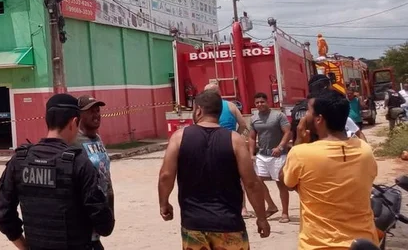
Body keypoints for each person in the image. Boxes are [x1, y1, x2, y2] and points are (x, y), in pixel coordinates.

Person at [0, 93, 114, 250]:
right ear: (74, 122)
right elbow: (104, 225)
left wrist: (24, 247)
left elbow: (3, 215)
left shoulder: (19, 160)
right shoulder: (80, 163)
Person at [158, 90, 270, 249]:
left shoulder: (179, 137)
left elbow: (166, 175)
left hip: (194, 225)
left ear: (198, 110)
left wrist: (164, 203)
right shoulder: (235, 140)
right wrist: (261, 218)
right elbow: (251, 183)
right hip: (229, 224)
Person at [282, 89, 378, 249]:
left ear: (319, 119)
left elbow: (288, 183)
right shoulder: (365, 150)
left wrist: (299, 140)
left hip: (318, 245)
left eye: (309, 111)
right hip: (363, 243)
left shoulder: (301, 153)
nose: (305, 116)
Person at [204, 83, 254, 219]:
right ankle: (242, 208)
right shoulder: (231, 106)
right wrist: (235, 136)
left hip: (211, 145)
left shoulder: (203, 108)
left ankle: (218, 205)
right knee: (238, 177)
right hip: (229, 143)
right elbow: (243, 125)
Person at [74, 95, 113, 250]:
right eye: (90, 111)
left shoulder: (97, 138)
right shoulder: (73, 141)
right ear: (78, 115)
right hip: (84, 212)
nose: (96, 114)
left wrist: (111, 211)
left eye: (97, 111)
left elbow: (107, 177)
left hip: (100, 209)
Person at [249, 92, 291, 224]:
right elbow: (251, 137)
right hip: (262, 154)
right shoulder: (254, 118)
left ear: (267, 102)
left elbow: (287, 132)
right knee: (258, 181)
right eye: (257, 103)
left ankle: (285, 213)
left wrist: (280, 147)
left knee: (281, 183)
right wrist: (251, 154)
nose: (260, 105)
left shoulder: (278, 115)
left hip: (278, 154)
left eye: (262, 102)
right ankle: (271, 206)